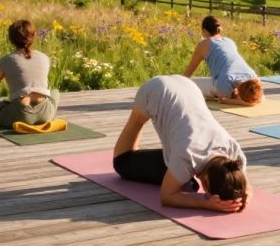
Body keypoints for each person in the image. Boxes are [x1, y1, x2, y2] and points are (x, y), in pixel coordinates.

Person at [113, 75, 250, 212]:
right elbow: (167, 197)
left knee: (184, 180)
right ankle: (134, 144)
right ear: (206, 181)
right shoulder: (186, 154)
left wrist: (241, 199)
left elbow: (247, 189)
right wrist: (207, 204)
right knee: (122, 162)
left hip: (188, 85)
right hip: (155, 89)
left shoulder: (236, 156)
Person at [0, 19, 60, 128]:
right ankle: (27, 103)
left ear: (11, 39)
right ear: (33, 37)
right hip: (46, 113)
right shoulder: (45, 58)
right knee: (55, 92)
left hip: (20, 115)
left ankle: (12, 105)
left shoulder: (6, 60)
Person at [182, 16, 263, 106]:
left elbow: (190, 71)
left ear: (204, 31)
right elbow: (258, 99)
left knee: (189, 85)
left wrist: (180, 83)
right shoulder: (253, 76)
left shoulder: (204, 44)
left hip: (223, 78)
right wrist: (238, 101)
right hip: (227, 77)